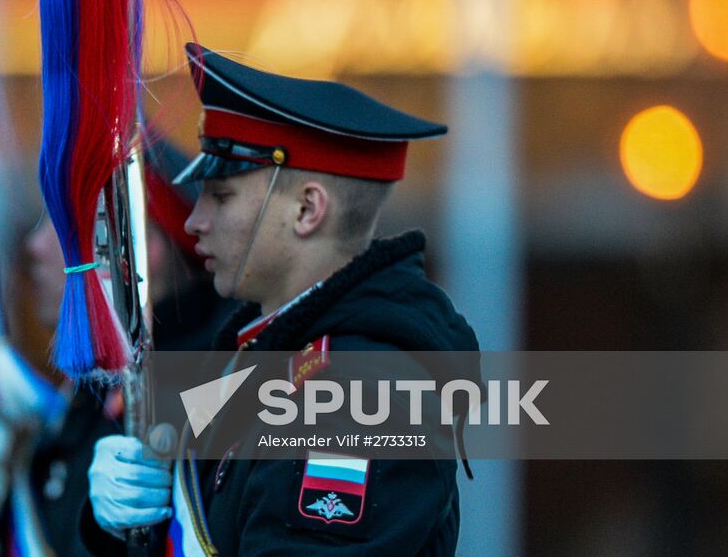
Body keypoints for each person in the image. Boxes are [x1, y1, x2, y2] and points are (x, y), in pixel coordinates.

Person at [83, 45, 481, 555]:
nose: (193, 221)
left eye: (221, 196)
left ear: (307, 210)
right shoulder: (262, 357)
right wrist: (113, 525)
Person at [0, 142, 230, 556]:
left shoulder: (218, 385)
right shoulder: (89, 392)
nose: (34, 248)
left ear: (135, 246)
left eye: (64, 224)